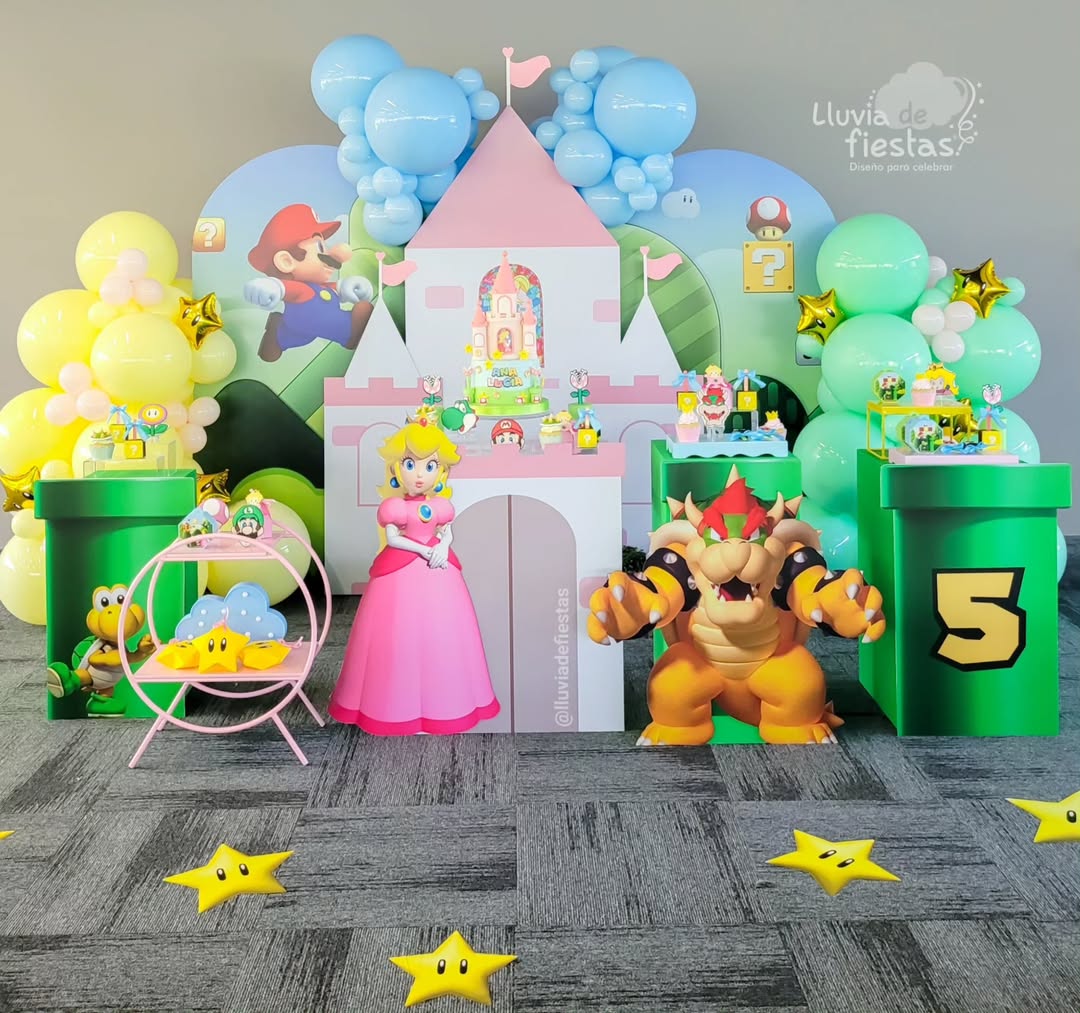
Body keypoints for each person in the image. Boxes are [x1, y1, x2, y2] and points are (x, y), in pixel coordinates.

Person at [329, 420, 499, 734]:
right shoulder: (394, 507)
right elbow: (393, 539)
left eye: (429, 466)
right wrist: (424, 550)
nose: (419, 474)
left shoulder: (440, 506)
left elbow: (447, 531)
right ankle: (390, 707)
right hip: (401, 567)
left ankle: (447, 704)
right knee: (394, 628)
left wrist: (443, 547)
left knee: (445, 627)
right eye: (410, 464)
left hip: (439, 566)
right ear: (397, 468)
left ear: (441, 471)